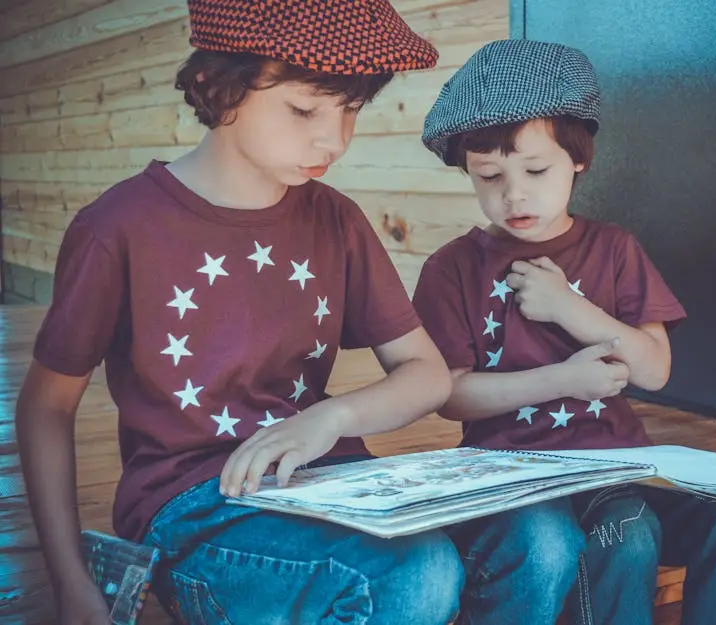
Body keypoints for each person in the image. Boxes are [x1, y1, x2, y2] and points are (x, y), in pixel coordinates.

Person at [15, 2, 465, 623]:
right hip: (195, 509)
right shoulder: (116, 229)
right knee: (419, 573)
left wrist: (332, 417)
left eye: (352, 110)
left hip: (333, 488)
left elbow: (428, 373)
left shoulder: (335, 218)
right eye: (305, 109)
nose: (334, 139)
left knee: (490, 543)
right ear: (214, 86)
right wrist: (69, 580)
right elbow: (46, 405)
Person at [413, 39, 716, 625]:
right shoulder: (451, 268)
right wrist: (560, 379)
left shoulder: (614, 249)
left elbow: (655, 369)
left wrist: (569, 309)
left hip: (618, 463)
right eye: (489, 176)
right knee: (628, 533)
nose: (514, 194)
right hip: (514, 474)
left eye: (535, 170)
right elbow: (448, 394)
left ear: (578, 157)